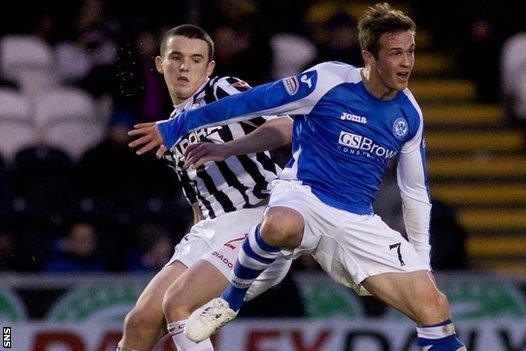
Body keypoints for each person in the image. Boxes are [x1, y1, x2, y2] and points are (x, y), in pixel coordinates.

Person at [130, 4, 466, 350]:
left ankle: (231, 298)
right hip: (298, 199)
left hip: (340, 218)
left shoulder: (408, 114)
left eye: (410, 52)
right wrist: (179, 126)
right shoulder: (327, 81)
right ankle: (230, 301)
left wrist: (422, 263)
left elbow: (414, 192)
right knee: (140, 323)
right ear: (370, 57)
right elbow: (204, 187)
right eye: (396, 53)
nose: (407, 62)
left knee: (434, 306)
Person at [118, 24, 294, 351]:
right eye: (176, 58)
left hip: (257, 220)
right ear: (160, 63)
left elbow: (286, 125)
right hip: (210, 229)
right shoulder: (169, 129)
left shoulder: (221, 90)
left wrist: (229, 148)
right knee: (139, 323)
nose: (185, 67)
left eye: (196, 59)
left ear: (209, 67)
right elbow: (198, 201)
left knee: (177, 305)